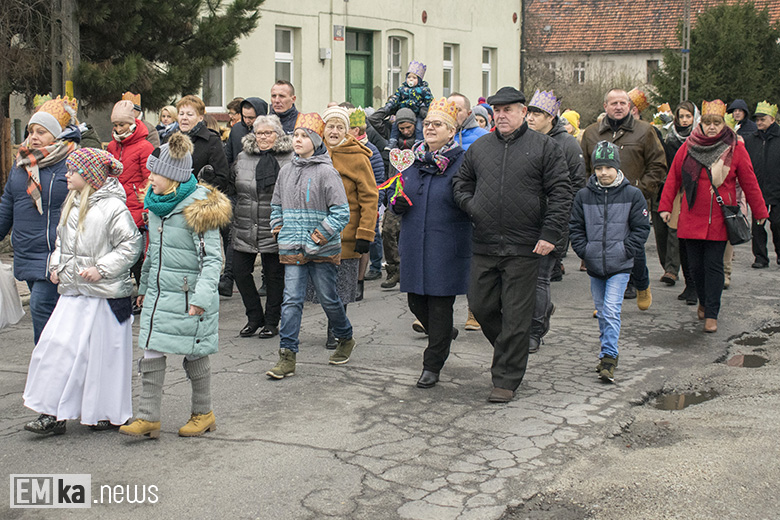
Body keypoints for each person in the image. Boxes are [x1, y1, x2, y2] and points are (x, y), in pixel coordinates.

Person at [452, 86, 571, 403]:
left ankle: (505, 379)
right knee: (480, 305)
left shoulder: (545, 148)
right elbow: (460, 183)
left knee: (517, 315)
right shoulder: (480, 148)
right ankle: (511, 348)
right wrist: (473, 205)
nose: (502, 115)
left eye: (509, 109)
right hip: (485, 242)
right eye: (498, 110)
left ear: (523, 113)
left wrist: (550, 234)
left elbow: (561, 193)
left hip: (526, 245)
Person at [120, 133, 232, 439]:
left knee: (194, 353)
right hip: (159, 295)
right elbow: (152, 253)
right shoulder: (156, 206)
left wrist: (202, 298)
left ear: (172, 176)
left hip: (188, 296)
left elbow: (212, 260)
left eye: (155, 173)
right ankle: (148, 418)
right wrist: (143, 287)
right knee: (152, 349)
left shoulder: (197, 208)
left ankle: (203, 413)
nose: (149, 177)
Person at [23, 148, 142, 434]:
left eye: (72, 170)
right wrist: (55, 265)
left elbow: (130, 245)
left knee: (105, 355)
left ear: (88, 176)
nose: (66, 174)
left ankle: (106, 411)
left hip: (104, 294)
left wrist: (102, 268)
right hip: (74, 292)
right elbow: (62, 243)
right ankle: (51, 413)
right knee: (57, 349)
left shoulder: (114, 208)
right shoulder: (72, 203)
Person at [659, 100, 768, 333]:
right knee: (695, 267)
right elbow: (673, 178)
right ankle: (702, 299)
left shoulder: (735, 148)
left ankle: (712, 313)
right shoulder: (688, 146)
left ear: (723, 124)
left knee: (713, 266)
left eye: (716, 123)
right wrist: (666, 206)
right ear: (701, 123)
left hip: (719, 218)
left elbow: (749, 182)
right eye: (707, 122)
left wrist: (760, 212)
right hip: (691, 216)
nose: (711, 127)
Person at [265, 113, 354, 378]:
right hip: (292, 247)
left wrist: (317, 237)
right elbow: (276, 204)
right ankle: (287, 356)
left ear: (316, 141)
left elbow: (341, 212)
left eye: (304, 136)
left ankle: (345, 336)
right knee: (291, 299)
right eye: (296, 136)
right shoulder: (286, 170)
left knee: (328, 298)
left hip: (321, 248)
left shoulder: (327, 172)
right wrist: (277, 227)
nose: (298, 140)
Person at [390, 98, 470, 388]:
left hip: (446, 244)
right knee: (416, 302)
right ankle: (442, 333)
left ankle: (432, 364)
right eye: (428, 124)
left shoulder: (463, 162)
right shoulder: (411, 159)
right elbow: (397, 189)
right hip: (413, 242)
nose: (430, 128)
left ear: (451, 131)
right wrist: (395, 202)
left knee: (439, 305)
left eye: (438, 125)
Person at [570, 141, 650, 383]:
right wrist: (585, 250)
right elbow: (575, 227)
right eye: (598, 168)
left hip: (620, 264)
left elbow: (641, 228)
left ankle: (609, 357)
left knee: (612, 310)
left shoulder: (632, 195)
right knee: (603, 311)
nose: (603, 172)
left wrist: (626, 250)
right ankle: (606, 351)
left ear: (617, 167)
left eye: (608, 167)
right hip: (595, 264)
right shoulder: (584, 196)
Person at [0, 96, 78, 343]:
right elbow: (8, 203)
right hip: (27, 250)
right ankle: (58, 365)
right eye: (31, 131)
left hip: (56, 252)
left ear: (55, 135)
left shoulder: (71, 162)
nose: (33, 137)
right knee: (51, 316)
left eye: (41, 132)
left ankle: (47, 369)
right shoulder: (22, 162)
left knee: (41, 308)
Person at [581, 89, 666, 309]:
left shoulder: (645, 131)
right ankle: (605, 302)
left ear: (630, 106)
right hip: (599, 202)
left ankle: (642, 284)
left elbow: (657, 165)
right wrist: (588, 192)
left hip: (631, 202)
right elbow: (584, 169)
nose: (618, 107)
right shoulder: (591, 133)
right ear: (605, 106)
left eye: (622, 103)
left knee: (633, 249)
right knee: (601, 248)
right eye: (613, 103)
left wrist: (639, 190)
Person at [524, 89, 586, 353]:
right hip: (523, 221)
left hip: (552, 222)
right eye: (529, 112)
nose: (530, 118)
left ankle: (535, 331)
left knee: (540, 278)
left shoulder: (567, 144)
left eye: (537, 114)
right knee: (524, 278)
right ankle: (539, 312)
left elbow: (575, 187)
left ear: (551, 117)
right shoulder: (525, 140)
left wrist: (560, 224)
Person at [317, 106, 378, 344]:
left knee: (340, 286)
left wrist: (365, 232)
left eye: (339, 127)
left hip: (346, 232)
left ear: (347, 130)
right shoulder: (314, 153)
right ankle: (335, 325)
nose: (334, 131)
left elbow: (369, 196)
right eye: (330, 126)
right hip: (317, 231)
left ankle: (337, 330)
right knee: (322, 285)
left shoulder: (357, 156)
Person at [230, 115, 293, 339]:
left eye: (268, 133)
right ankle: (254, 317)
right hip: (245, 222)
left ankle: (272, 321)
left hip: (275, 223)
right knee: (239, 271)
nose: (263, 137)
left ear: (278, 134)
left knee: (274, 274)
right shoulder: (243, 156)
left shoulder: (289, 158)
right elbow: (234, 186)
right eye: (259, 133)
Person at [175, 95, 233, 297]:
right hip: (174, 205)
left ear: (200, 117)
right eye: (181, 113)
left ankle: (201, 295)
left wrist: (200, 188)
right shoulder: (171, 139)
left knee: (200, 255)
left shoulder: (211, 141)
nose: (184, 118)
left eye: (189, 114)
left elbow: (222, 176)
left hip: (199, 206)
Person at [106, 100, 154, 313]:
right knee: (120, 253)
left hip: (136, 207)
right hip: (116, 206)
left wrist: (146, 209)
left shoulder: (145, 147)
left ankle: (143, 295)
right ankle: (127, 294)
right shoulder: (112, 146)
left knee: (137, 256)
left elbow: (149, 180)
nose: (117, 129)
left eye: (121, 125)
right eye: (115, 125)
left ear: (132, 123)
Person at [662, 101, 699, 302]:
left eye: (688, 116)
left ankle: (696, 284)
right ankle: (687, 282)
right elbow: (671, 170)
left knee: (694, 240)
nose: (684, 120)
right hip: (677, 191)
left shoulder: (700, 140)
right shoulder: (671, 138)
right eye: (681, 116)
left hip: (697, 192)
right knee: (678, 237)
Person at [347, 107, 386, 287]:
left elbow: (379, 180)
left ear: (356, 130)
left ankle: (375, 267)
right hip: (348, 205)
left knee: (371, 237)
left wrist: (376, 204)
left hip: (367, 204)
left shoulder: (371, 151)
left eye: (345, 127)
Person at [380, 108, 417, 290]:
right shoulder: (393, 147)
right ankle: (393, 269)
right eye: (401, 128)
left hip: (413, 197)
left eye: (408, 127)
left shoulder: (420, 145)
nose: (405, 131)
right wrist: (388, 196)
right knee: (387, 231)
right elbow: (390, 173)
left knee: (407, 235)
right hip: (394, 194)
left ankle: (409, 269)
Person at [743, 101, 780, 269]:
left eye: (762, 119)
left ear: (772, 119)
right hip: (757, 189)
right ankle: (760, 257)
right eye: (757, 119)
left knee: (777, 223)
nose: (759, 122)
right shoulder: (751, 140)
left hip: (777, 189)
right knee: (757, 226)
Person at [382, 61, 433, 148]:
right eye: (409, 77)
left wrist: (428, 110)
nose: (411, 79)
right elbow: (395, 98)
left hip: (417, 113)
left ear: (419, 80)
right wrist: (389, 105)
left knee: (419, 126)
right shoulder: (402, 89)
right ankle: (392, 141)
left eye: (414, 78)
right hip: (403, 112)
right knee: (395, 125)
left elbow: (429, 100)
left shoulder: (423, 90)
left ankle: (419, 143)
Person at [225, 97, 268, 166]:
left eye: (251, 118)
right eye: (244, 117)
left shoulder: (270, 131)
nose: (247, 121)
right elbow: (228, 155)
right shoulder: (236, 129)